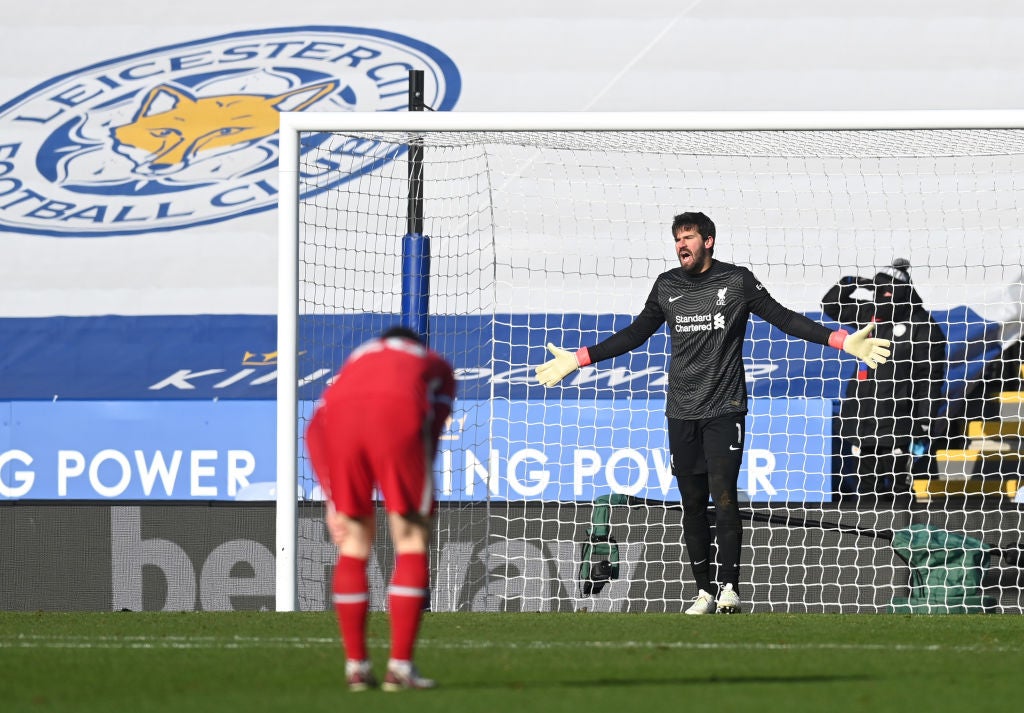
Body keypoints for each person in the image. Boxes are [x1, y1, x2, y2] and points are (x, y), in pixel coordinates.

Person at [534, 212, 891, 615]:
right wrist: (579, 359)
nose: (681, 245)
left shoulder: (737, 281)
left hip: (725, 408)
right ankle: (703, 590)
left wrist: (841, 341)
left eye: (688, 237)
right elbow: (635, 333)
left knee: (723, 498)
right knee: (692, 505)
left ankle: (729, 588)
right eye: (677, 239)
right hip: (681, 412)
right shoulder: (666, 286)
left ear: (709, 241)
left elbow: (784, 318)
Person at [305, 326, 456, 691]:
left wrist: (331, 502)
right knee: (411, 538)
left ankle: (356, 668)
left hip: (332, 426)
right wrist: (421, 489)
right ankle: (400, 670)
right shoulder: (435, 363)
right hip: (396, 417)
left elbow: (315, 428)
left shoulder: (359, 358)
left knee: (354, 543)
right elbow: (430, 429)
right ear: (415, 344)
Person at [822, 259, 947, 501]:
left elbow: (929, 381)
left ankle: (903, 534)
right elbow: (831, 305)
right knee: (867, 488)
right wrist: (851, 282)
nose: (884, 298)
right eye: (879, 291)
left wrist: (924, 422)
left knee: (900, 488)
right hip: (864, 421)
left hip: (901, 424)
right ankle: (871, 537)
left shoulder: (924, 327)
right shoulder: (871, 315)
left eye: (889, 292)